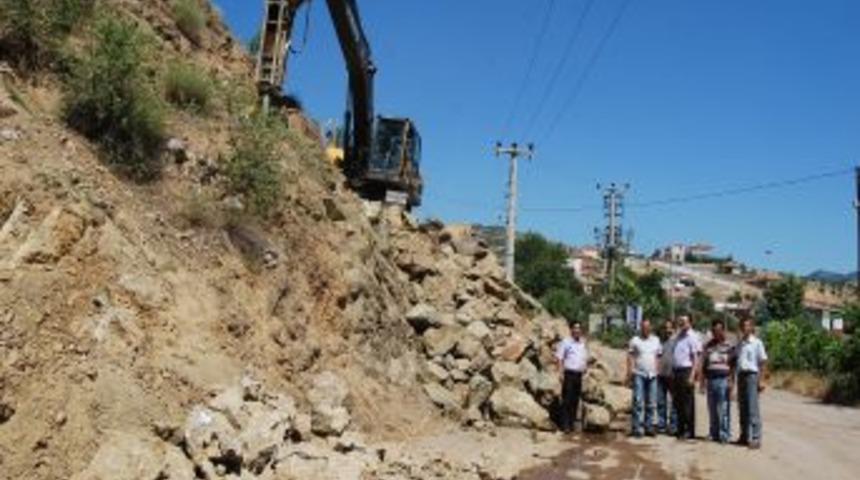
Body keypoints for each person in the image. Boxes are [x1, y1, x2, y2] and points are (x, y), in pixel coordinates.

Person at [735, 316, 768, 449]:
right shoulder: (740, 343)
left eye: (748, 325)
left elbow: (763, 362)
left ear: (752, 327)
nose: (745, 328)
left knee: (753, 408)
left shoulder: (757, 343)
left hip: (752, 376)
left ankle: (756, 437)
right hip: (741, 376)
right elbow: (735, 359)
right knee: (742, 407)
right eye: (743, 326)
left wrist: (762, 380)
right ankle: (744, 435)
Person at [627, 318, 662, 437]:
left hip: (652, 375)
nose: (646, 329)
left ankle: (649, 427)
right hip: (639, 374)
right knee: (638, 401)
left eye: (647, 327)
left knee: (651, 402)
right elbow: (630, 356)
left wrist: (657, 370)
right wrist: (630, 371)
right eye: (643, 327)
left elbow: (658, 356)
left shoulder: (656, 340)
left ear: (650, 328)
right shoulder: (635, 340)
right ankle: (637, 427)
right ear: (640, 327)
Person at [701, 318, 734, 443]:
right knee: (712, 408)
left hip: (724, 380)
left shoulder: (729, 346)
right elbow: (704, 365)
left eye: (719, 330)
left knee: (724, 408)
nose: (717, 333)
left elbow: (733, 365)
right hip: (711, 380)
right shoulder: (708, 346)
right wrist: (702, 382)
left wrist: (731, 381)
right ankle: (713, 433)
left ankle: (724, 434)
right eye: (714, 330)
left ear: (723, 330)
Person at [672, 314, 701, 440]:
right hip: (677, 371)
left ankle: (689, 430)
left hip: (686, 371)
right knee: (678, 402)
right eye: (680, 321)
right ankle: (680, 429)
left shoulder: (692, 337)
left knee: (687, 403)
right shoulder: (679, 336)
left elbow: (696, 358)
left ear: (690, 322)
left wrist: (692, 376)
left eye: (684, 321)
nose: (682, 323)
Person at [556, 320, 589, 434]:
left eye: (579, 328)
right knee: (567, 399)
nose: (577, 330)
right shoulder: (566, 342)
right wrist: (560, 373)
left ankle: (571, 423)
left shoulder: (582, 343)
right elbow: (559, 358)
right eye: (575, 328)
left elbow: (584, 357)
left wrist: (585, 368)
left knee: (575, 400)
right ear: (571, 329)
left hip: (579, 375)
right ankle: (564, 425)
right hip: (569, 374)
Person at [656, 319, 678, 435]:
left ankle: (673, 426)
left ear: (674, 329)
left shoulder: (677, 342)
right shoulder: (660, 341)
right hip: (660, 375)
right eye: (666, 328)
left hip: (673, 375)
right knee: (661, 401)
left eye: (670, 328)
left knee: (674, 402)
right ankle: (661, 425)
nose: (667, 330)